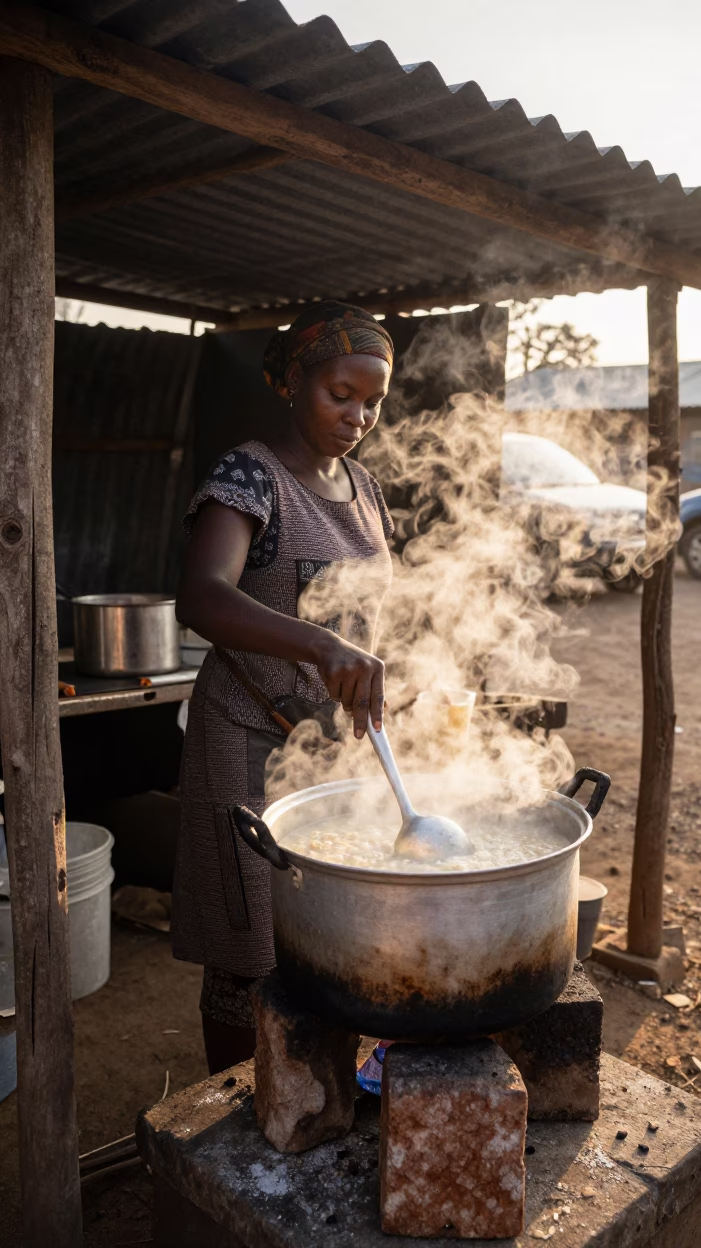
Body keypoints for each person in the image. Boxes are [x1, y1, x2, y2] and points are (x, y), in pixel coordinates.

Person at [172, 301, 395, 1074]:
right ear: (293, 383)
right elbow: (201, 596)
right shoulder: (250, 475)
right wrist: (322, 643)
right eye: (342, 394)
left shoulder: (365, 488)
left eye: (373, 401)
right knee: (249, 945)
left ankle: (311, 1091)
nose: (359, 415)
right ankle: (232, 1109)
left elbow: (373, 614)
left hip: (328, 752)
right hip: (247, 741)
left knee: (324, 931)